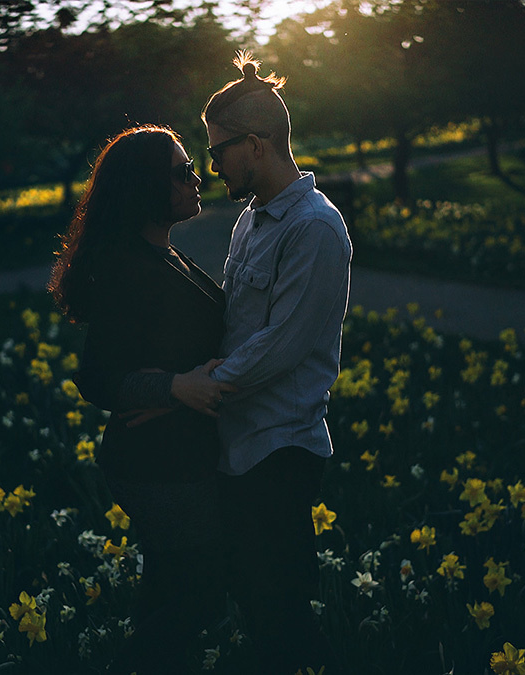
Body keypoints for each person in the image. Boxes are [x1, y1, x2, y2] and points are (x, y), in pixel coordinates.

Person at [49, 124, 237, 674]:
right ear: (145, 188)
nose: (197, 177)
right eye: (182, 173)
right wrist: (175, 387)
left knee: (169, 590)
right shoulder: (129, 268)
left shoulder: (161, 253)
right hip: (157, 465)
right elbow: (99, 377)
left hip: (174, 453)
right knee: (201, 596)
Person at [196, 51, 353, 674]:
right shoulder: (249, 221)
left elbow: (282, 343)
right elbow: (239, 324)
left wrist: (203, 387)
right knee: (258, 609)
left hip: (281, 449)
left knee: (281, 611)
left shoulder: (314, 228)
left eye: (218, 153)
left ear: (256, 146)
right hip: (240, 442)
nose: (212, 168)